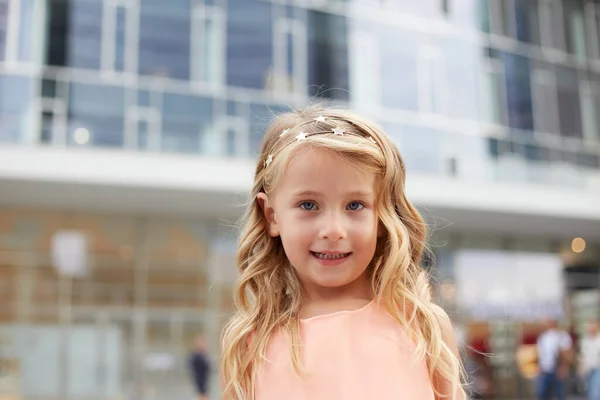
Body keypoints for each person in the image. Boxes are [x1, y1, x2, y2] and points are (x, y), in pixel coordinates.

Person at [219, 106, 466, 400]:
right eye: (309, 205)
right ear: (271, 215)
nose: (333, 230)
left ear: (382, 216)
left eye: (354, 205)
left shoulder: (424, 327)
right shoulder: (249, 344)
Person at [536, 319, 573, 400]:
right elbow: (541, 354)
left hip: (557, 369)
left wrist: (564, 367)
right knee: (542, 393)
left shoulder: (562, 335)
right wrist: (539, 367)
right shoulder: (543, 337)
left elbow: (567, 352)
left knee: (559, 393)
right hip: (545, 370)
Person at [581, 320, 600, 400]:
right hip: (588, 369)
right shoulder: (585, 340)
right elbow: (583, 355)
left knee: (594, 394)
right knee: (589, 392)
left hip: (598, 369)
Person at [189, 335, 211, 400]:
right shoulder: (197, 356)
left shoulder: (203, 355)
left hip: (204, 380)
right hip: (200, 380)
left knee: (203, 394)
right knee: (202, 395)